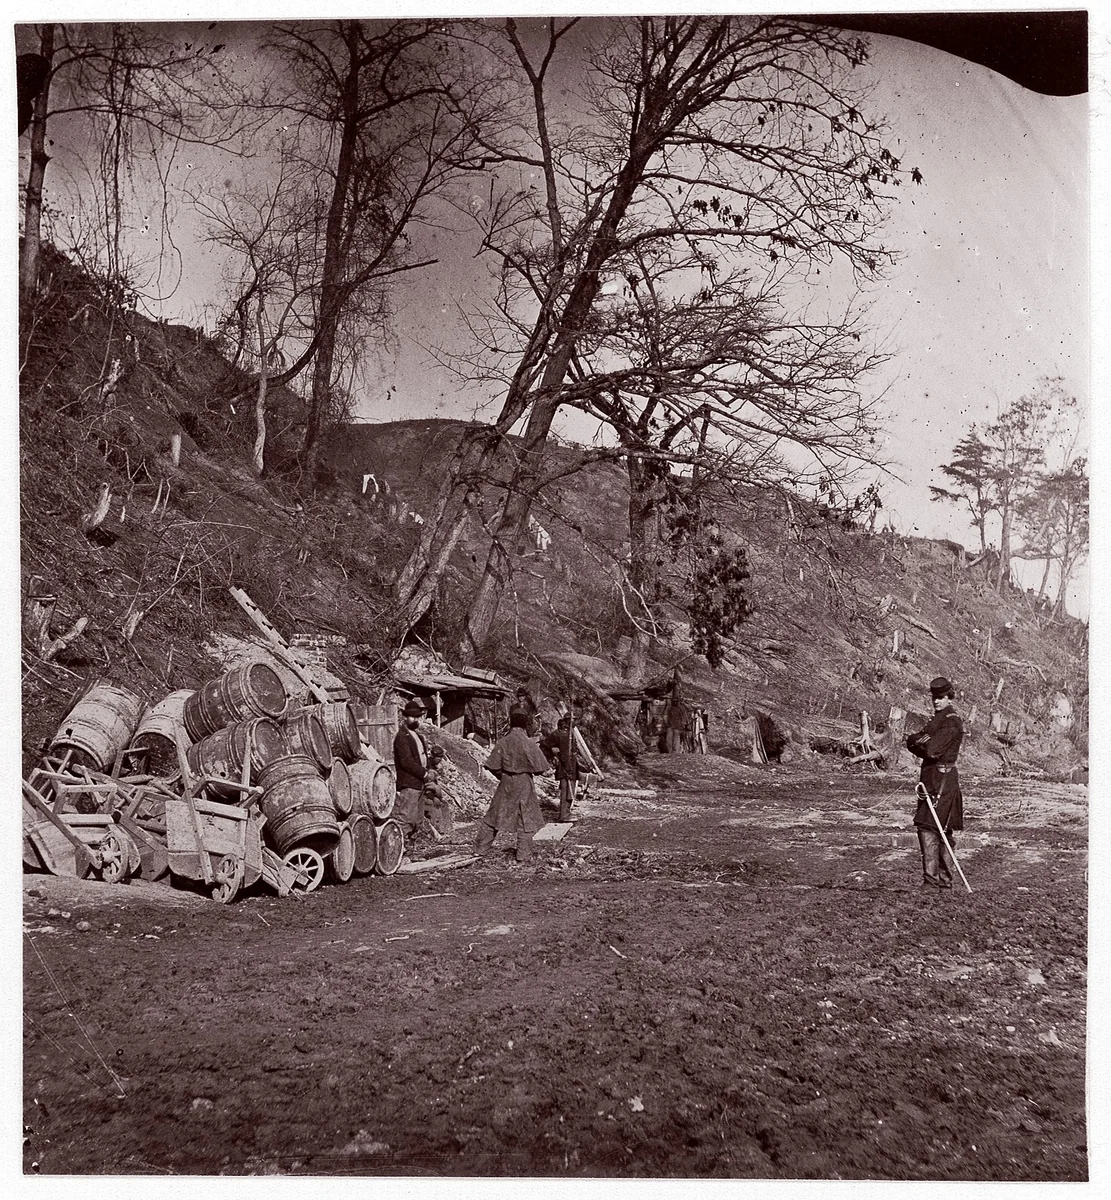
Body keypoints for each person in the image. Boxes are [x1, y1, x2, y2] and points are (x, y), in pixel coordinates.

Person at [906, 676, 964, 889]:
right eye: (934, 698)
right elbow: (912, 741)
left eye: (941, 698)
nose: (936, 702)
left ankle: (936, 882)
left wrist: (921, 742)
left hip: (942, 780)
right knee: (933, 827)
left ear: (949, 697)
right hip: (931, 778)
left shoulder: (951, 721)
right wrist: (920, 742)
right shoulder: (937, 719)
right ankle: (939, 881)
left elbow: (930, 749)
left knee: (932, 827)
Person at [475, 711, 552, 863]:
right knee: (526, 819)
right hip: (524, 783)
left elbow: (492, 765)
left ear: (511, 724)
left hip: (506, 782)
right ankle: (524, 856)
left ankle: (479, 850)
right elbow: (541, 768)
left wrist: (502, 775)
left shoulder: (503, 742)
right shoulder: (529, 743)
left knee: (494, 815)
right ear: (525, 726)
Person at [393, 698, 429, 838]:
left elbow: (422, 756)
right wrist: (424, 774)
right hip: (409, 782)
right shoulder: (402, 737)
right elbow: (406, 762)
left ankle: (412, 849)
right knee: (406, 819)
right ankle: (399, 850)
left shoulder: (417, 736)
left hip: (419, 783)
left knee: (417, 820)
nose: (415, 720)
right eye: (412, 716)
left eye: (418, 717)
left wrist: (429, 768)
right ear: (405, 717)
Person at [541, 715, 582, 823]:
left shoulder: (567, 733)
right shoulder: (565, 735)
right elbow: (564, 754)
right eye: (574, 720)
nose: (576, 722)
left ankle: (566, 812)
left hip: (568, 764)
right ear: (569, 721)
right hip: (566, 766)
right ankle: (564, 815)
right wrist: (568, 769)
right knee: (567, 790)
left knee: (568, 789)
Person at [421, 744, 453, 837]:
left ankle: (447, 830)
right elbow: (428, 784)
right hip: (424, 794)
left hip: (431, 792)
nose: (440, 760)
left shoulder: (434, 766)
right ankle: (439, 830)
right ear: (433, 756)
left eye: (441, 757)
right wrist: (435, 794)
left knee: (444, 804)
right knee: (436, 804)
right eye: (438, 757)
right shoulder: (428, 766)